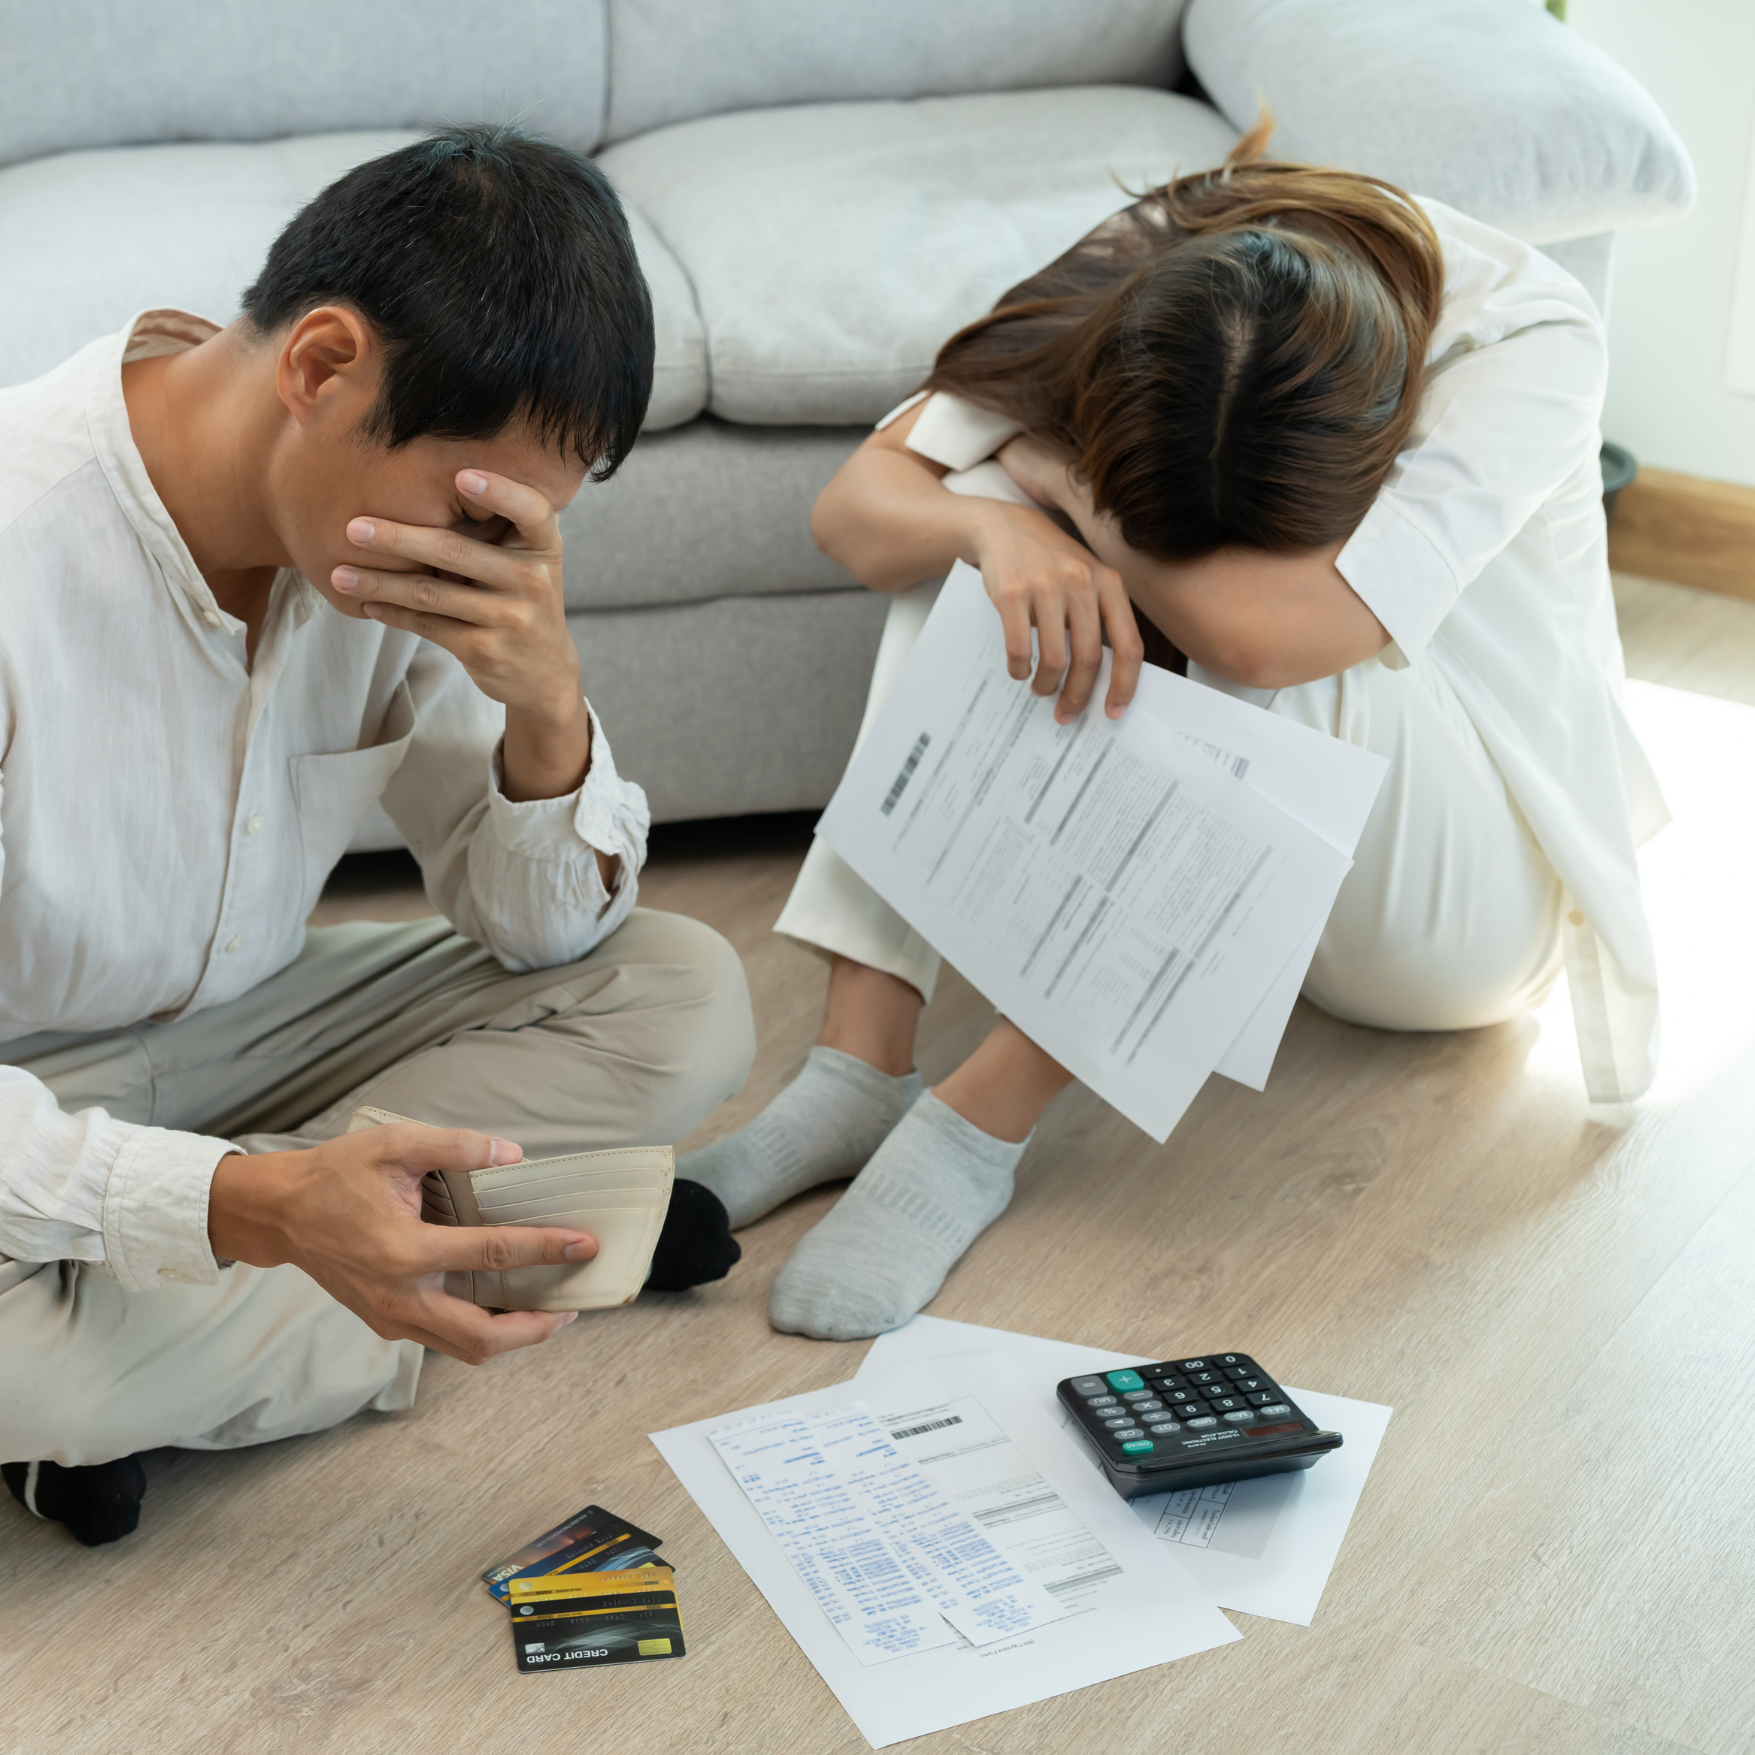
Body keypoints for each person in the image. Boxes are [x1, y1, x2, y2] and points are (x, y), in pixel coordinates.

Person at [682, 124, 1665, 1342]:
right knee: (985, 525)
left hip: (1460, 910)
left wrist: (1066, 489)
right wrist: (1003, 529)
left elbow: (1267, 637)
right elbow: (859, 511)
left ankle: (977, 1126)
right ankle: (857, 1067)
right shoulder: (1167, 256)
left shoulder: (1527, 339)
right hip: (1281, 886)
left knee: (1277, 632)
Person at [0, 128, 755, 1545]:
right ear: (322, 366)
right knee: (17, 1366)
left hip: (249, 1034)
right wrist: (262, 1202)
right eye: (474, 510)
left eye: (521, 528)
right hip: (22, 1079)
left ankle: (179, 1340)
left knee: (685, 995)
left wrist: (546, 702)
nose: (486, 557)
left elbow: (536, 933)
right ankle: (474, 1255)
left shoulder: (387, 561)